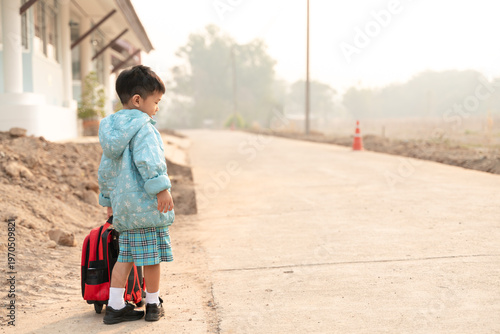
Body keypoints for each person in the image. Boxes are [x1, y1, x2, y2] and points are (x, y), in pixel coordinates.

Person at [97, 65, 175, 324]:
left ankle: (115, 305)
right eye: (156, 101)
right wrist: (161, 189)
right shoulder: (144, 127)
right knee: (151, 258)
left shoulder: (111, 132)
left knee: (126, 257)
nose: (157, 108)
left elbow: (105, 170)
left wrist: (108, 202)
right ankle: (152, 304)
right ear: (138, 100)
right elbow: (150, 160)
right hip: (146, 205)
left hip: (124, 209)